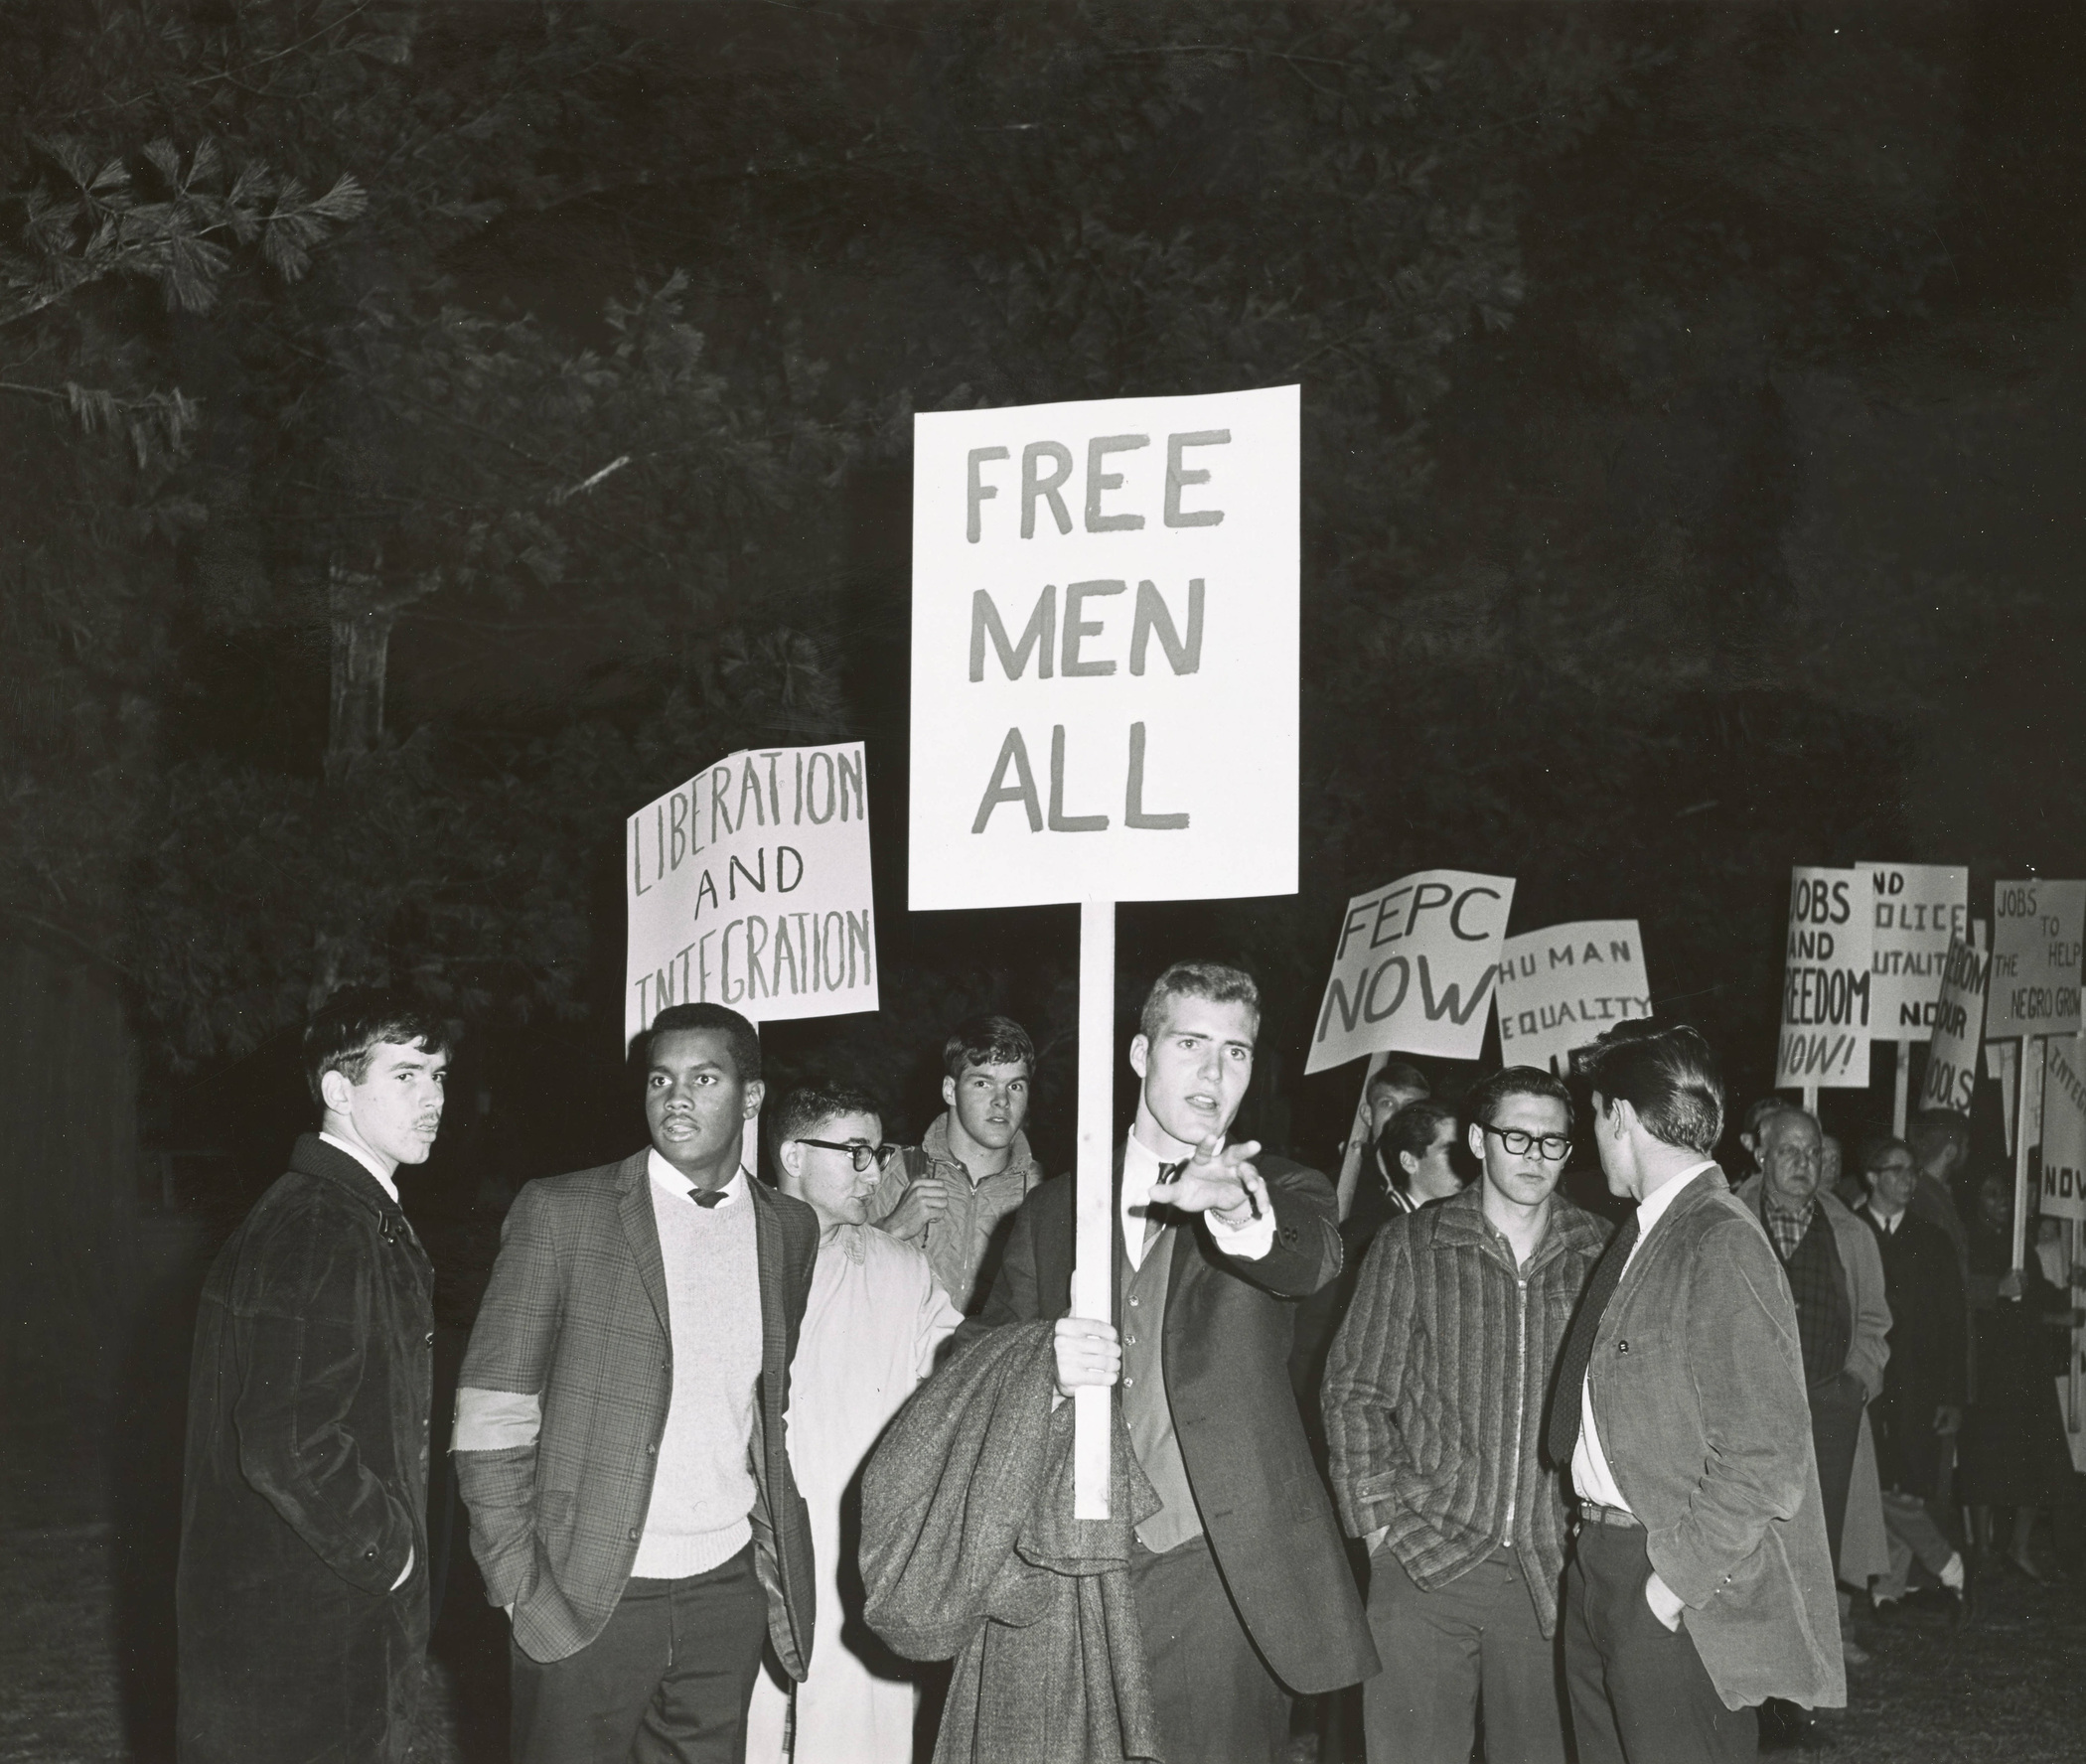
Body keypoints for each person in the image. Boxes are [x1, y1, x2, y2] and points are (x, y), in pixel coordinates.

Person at [977, 958, 1379, 1762]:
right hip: (1075, 1560)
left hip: (1216, 1566)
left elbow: (1307, 1259)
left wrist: (1236, 1208)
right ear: (1138, 1055)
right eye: (1191, 1043)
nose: (1214, 1071)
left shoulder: (1283, 1185)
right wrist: (1041, 1365)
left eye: (1236, 1052)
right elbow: (979, 1356)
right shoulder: (1055, 1207)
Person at [452, 1002, 820, 1764]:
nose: (676, 1098)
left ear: (752, 1099)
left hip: (725, 1592)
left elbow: (762, 1407)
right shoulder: (564, 1212)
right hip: (587, 1593)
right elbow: (491, 1415)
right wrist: (519, 1583)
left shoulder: (788, 1228)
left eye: (704, 1078)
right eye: (660, 1079)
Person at [1554, 1020, 1843, 1764]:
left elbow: (1768, 1453)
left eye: (1592, 1114)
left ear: (1619, 1113)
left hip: (1668, 1583)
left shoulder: (1717, 1237)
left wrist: (1666, 1590)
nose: (1592, 1133)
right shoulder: (1654, 1229)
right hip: (1605, 1562)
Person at [177, 987, 452, 1764]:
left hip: (310, 1617)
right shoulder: (322, 1224)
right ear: (339, 1090)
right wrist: (389, 1554)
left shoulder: (345, 1212)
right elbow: (286, 1439)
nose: (433, 1097)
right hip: (308, 1627)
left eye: (438, 1074)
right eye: (405, 1075)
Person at [1323, 1066, 1608, 1764]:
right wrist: (1379, 1529)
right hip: (1426, 1561)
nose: (1535, 1156)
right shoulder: (1414, 1245)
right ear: (1478, 1141)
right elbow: (1355, 1392)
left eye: (1553, 1142)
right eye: (1516, 1137)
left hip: (1551, 1572)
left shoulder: (1600, 1253)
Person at [746, 1083, 961, 1764]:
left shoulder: (903, 1268)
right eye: (857, 1154)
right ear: (793, 1155)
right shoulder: (734, 1255)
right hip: (752, 1541)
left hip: (858, 1544)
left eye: (879, 1152)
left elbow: (958, 1376)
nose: (875, 1172)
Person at [1731, 1105, 1891, 1740]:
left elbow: (1875, 1321)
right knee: (1751, 1548)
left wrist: (1856, 1382)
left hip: (1828, 1410)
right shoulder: (1726, 1219)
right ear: (1760, 1154)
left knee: (1815, 1554)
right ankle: (1751, 1693)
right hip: (1745, 1413)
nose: (1805, 1164)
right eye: (1789, 1152)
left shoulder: (1850, 1233)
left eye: (1814, 1151)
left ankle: (1801, 1699)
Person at [1856, 1136, 1969, 1619]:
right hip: (1865, 1379)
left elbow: (1952, 1322)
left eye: (1912, 1172)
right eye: (1896, 1170)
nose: (1908, 1180)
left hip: (1917, 1385)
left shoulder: (1931, 1238)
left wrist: (1952, 1395)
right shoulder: (1851, 1230)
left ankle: (1890, 1588)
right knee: (1874, 1481)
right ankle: (1926, 1569)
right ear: (1872, 1177)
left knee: (1901, 1484)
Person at [865, 1013, 1046, 1314]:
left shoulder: (1046, 1190)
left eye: (1015, 1086)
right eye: (982, 1084)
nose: (1001, 1100)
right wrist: (891, 1230)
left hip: (996, 1360)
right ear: (950, 1090)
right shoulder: (892, 1170)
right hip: (907, 1359)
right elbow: (832, 1276)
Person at [1960, 1171, 2077, 1582]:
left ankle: (2019, 1546)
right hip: (1989, 1365)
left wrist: (2067, 1297)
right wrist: (1996, 1287)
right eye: (1991, 1194)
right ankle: (1980, 1550)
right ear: (1976, 1201)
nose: (2001, 1201)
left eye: (2005, 1193)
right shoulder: (1967, 1239)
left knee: (2040, 1458)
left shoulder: (2018, 1244)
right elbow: (1958, 1292)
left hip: (2027, 1363)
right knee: (1985, 1460)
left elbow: (2037, 1296)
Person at [1337, 1060, 1432, 1223]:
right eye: (1387, 1103)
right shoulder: (1343, 1183)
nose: (1398, 1114)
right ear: (1368, 1115)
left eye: (1411, 1105)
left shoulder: (1442, 1182)